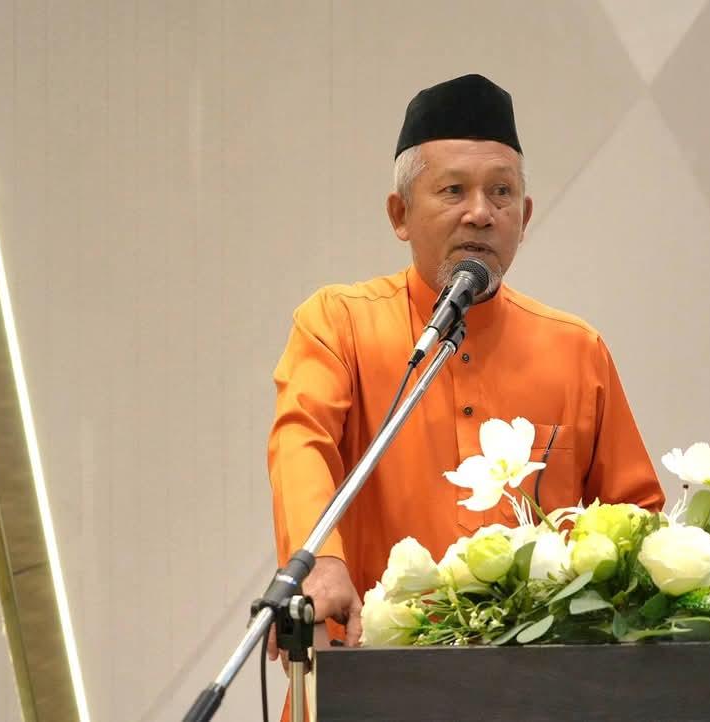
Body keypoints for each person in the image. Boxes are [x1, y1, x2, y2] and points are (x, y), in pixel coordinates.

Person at [267, 74, 665, 662]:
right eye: (453, 190)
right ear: (400, 214)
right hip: (370, 671)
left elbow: (635, 520)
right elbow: (302, 444)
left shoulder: (577, 350)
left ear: (524, 216)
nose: (480, 213)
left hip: (534, 687)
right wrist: (320, 560)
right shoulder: (339, 323)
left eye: (501, 193)